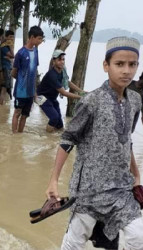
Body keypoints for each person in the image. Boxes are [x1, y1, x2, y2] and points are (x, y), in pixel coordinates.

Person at [45, 36, 143, 249]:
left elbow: (126, 142)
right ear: (106, 66)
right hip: (88, 190)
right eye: (119, 64)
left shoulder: (135, 101)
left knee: (138, 237)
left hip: (120, 190)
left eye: (132, 64)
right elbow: (68, 139)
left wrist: (136, 176)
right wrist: (53, 180)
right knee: (74, 243)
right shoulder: (91, 101)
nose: (126, 70)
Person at [36, 50, 83, 132]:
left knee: (60, 126)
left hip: (52, 98)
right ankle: (46, 138)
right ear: (53, 61)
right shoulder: (52, 75)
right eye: (59, 60)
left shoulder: (62, 71)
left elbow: (67, 82)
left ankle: (54, 140)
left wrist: (81, 91)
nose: (62, 62)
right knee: (54, 117)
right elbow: (63, 93)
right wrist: (80, 97)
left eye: (63, 59)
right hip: (40, 97)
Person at [11, 26, 44, 133]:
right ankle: (14, 136)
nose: (40, 41)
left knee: (25, 115)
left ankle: (19, 136)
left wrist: (34, 92)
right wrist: (22, 80)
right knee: (17, 113)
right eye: (39, 38)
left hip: (30, 92)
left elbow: (34, 72)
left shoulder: (36, 52)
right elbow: (14, 72)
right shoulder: (20, 53)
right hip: (20, 92)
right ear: (32, 37)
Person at [0, 30, 15, 105]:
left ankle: (0, 105)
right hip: (5, 69)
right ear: (6, 37)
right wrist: (11, 47)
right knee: (4, 88)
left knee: (4, 88)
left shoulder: (5, 45)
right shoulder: (4, 46)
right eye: (10, 37)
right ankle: (1, 105)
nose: (11, 39)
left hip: (6, 68)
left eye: (13, 37)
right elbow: (12, 55)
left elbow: (11, 57)